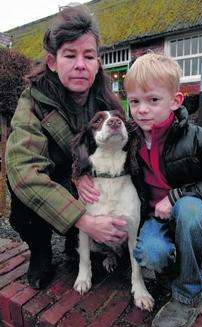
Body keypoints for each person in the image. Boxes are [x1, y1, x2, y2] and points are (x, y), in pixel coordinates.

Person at [77, 53, 202, 327]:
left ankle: (189, 295)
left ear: (176, 101)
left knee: (189, 211)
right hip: (155, 218)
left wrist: (176, 197)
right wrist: (80, 174)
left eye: (153, 100)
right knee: (151, 253)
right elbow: (94, 150)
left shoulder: (200, 138)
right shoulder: (132, 136)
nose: (142, 110)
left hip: (190, 211)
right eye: (135, 102)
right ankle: (173, 271)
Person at [5, 4, 127, 290]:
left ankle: (94, 245)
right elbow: (23, 170)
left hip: (95, 183)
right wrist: (82, 217)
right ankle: (41, 251)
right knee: (22, 199)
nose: (80, 65)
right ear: (52, 61)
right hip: (56, 182)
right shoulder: (32, 103)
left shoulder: (108, 102)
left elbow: (128, 147)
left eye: (89, 56)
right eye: (70, 55)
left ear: (98, 62)